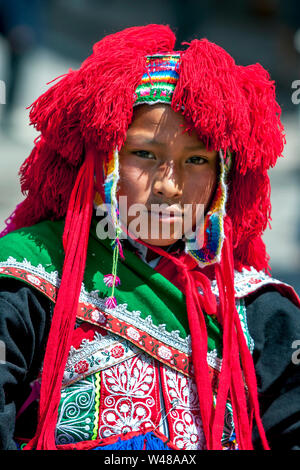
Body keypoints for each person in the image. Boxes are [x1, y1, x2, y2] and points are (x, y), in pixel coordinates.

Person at [0, 24, 299, 451]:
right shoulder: (27, 279)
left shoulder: (260, 313)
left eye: (196, 159)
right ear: (104, 157)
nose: (168, 185)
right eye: (144, 154)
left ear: (221, 179)